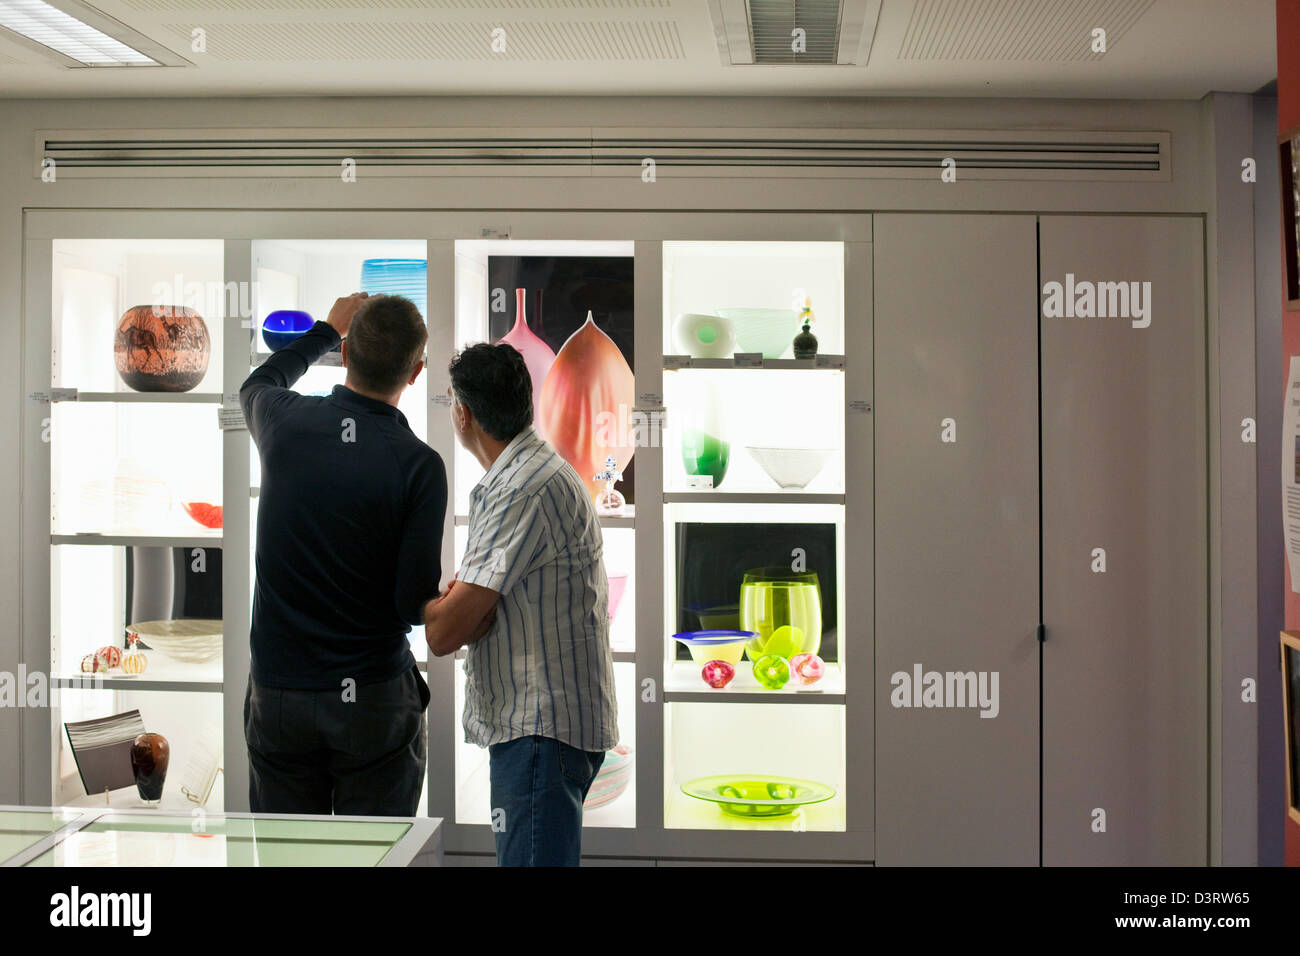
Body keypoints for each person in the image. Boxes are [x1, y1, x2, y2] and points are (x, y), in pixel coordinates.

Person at [240, 292, 462, 816]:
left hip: (279, 694)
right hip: (371, 698)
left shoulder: (283, 421)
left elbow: (256, 383)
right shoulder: (418, 464)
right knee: (376, 855)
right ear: (416, 372)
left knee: (286, 859)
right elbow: (411, 605)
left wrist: (322, 329)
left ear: (344, 354)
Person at [423, 342, 618, 866]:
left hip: (540, 730)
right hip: (547, 730)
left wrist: (448, 608)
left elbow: (443, 634)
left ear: (463, 413)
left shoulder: (521, 488)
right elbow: (468, 612)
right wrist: (465, 608)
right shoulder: (533, 471)